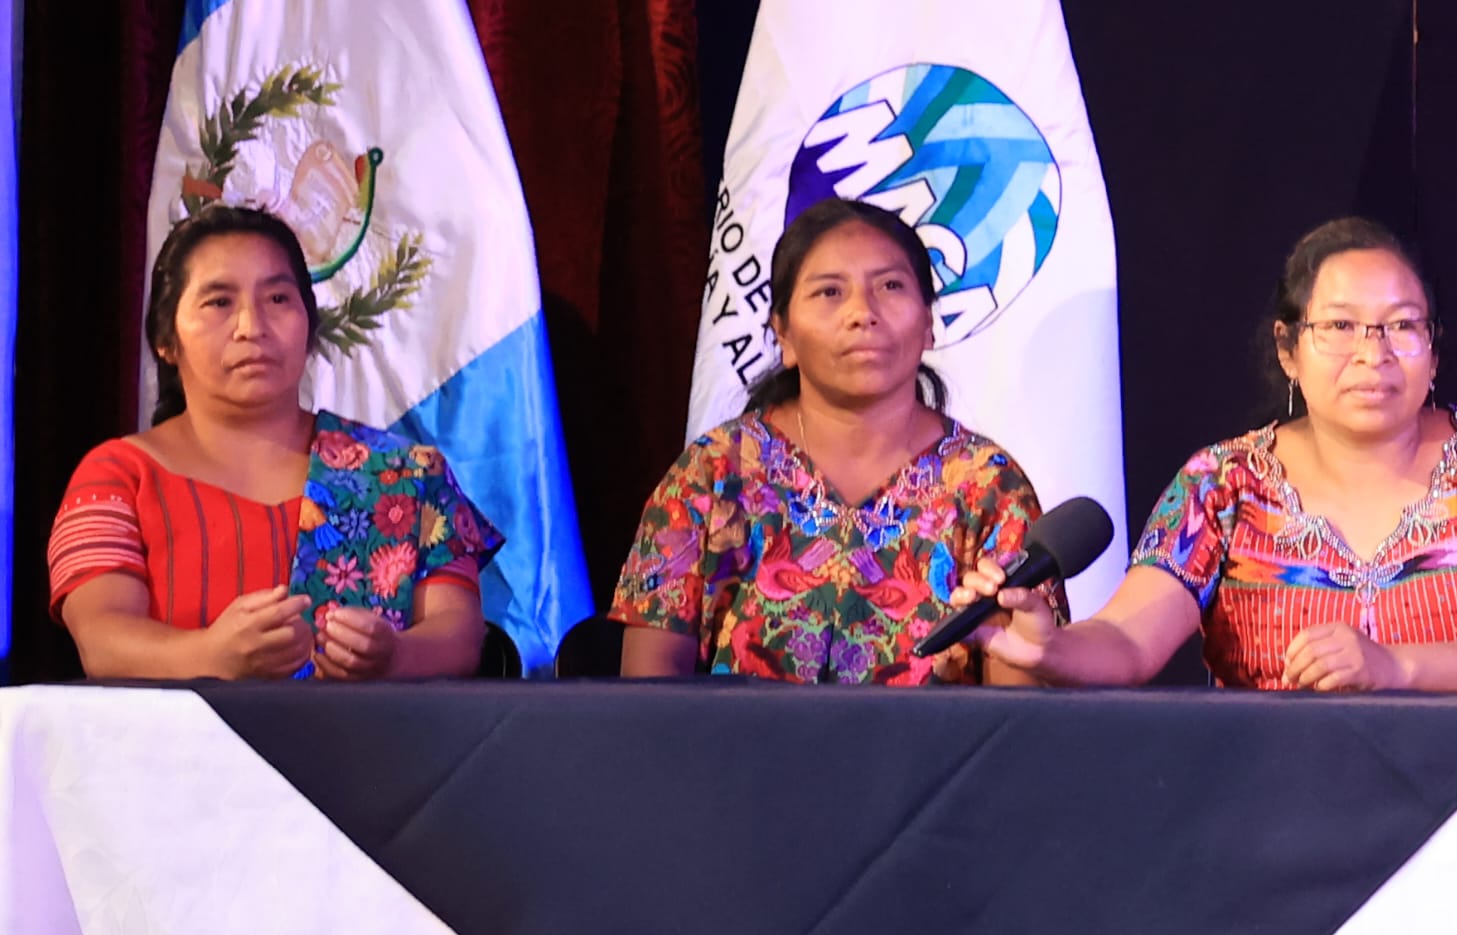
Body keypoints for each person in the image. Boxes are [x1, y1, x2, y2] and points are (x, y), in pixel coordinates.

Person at [957, 216, 1457, 692]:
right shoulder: (1223, 483)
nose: (1373, 354)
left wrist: (1394, 666)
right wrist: (1048, 650)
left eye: (1402, 325)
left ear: (1435, 350)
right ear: (1288, 350)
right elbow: (1127, 641)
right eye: (1340, 326)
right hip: (1268, 796)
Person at [48, 205, 502, 680]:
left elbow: (460, 636)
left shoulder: (405, 473)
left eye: (279, 299)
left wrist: (394, 657)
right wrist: (212, 657)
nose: (252, 326)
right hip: (177, 734)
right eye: (219, 302)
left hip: (367, 731)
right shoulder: (117, 478)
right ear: (166, 338)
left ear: (309, 326)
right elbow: (102, 642)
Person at [611, 197, 1051, 684]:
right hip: (730, 738)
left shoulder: (989, 487)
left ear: (928, 324)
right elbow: (646, 690)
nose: (862, 312)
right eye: (829, 292)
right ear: (783, 334)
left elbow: (1018, 704)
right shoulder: (713, 473)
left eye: (890, 286)